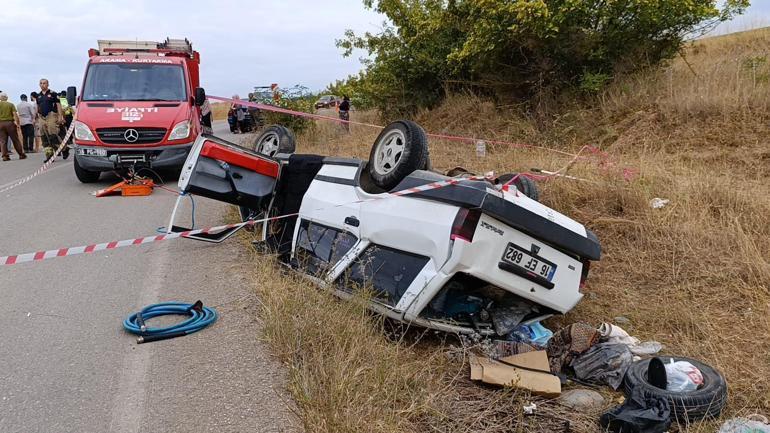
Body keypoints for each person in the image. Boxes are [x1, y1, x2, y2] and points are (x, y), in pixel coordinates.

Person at [36, 78, 67, 162]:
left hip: (52, 115)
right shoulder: (38, 96)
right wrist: (37, 117)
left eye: (44, 83)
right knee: (44, 136)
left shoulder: (53, 94)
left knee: (52, 134)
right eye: (41, 83)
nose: (42, 85)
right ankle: (49, 155)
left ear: (48, 84)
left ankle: (64, 149)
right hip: (42, 117)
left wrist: (60, 117)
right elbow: (38, 107)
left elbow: (58, 105)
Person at [0, 92, 27, 161]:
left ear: (0, 98)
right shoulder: (10, 104)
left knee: (3, 141)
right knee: (15, 139)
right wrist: (17, 124)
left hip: (1, 124)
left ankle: (5, 156)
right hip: (10, 123)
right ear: (6, 98)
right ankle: (21, 154)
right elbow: (15, 114)